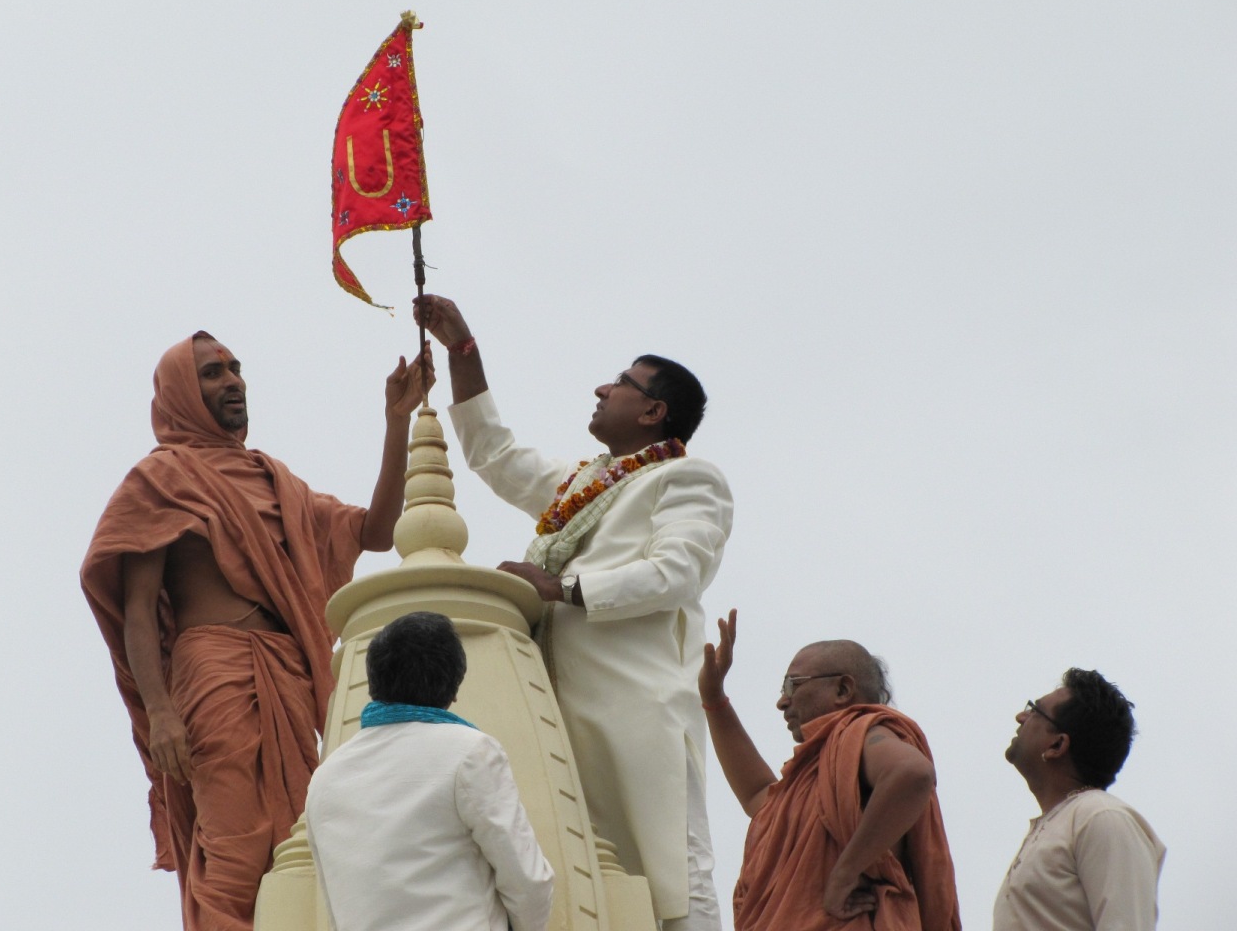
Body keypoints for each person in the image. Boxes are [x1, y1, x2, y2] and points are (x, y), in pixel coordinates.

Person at [81, 332, 431, 931]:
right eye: (213, 373)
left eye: (235, 369)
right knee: (235, 846)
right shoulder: (159, 480)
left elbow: (376, 530)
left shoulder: (277, 480)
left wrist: (396, 420)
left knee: (303, 840)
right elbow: (138, 610)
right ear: (182, 394)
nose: (233, 381)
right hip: (212, 672)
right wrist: (161, 713)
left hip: (290, 675)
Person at [413, 295, 733, 931]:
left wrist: (558, 587)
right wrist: (462, 352)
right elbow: (496, 457)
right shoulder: (587, 482)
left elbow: (677, 573)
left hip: (634, 710)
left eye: (620, 382)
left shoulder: (685, 481)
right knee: (579, 875)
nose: (601, 388)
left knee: (672, 872)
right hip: (553, 711)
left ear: (653, 410)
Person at [699, 610, 961, 931]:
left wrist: (844, 873)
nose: (782, 701)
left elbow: (911, 774)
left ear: (842, 690)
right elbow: (758, 796)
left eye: (792, 685)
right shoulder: (815, 778)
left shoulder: (858, 730)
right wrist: (713, 700)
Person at [305, 612, 554, 931]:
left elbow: (334, 901)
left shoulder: (326, 776)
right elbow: (528, 881)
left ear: (374, 684)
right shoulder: (470, 751)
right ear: (453, 688)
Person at [994, 668, 1166, 931]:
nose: (1021, 717)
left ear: (1057, 745)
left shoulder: (1102, 816)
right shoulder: (1064, 821)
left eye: (1034, 710)